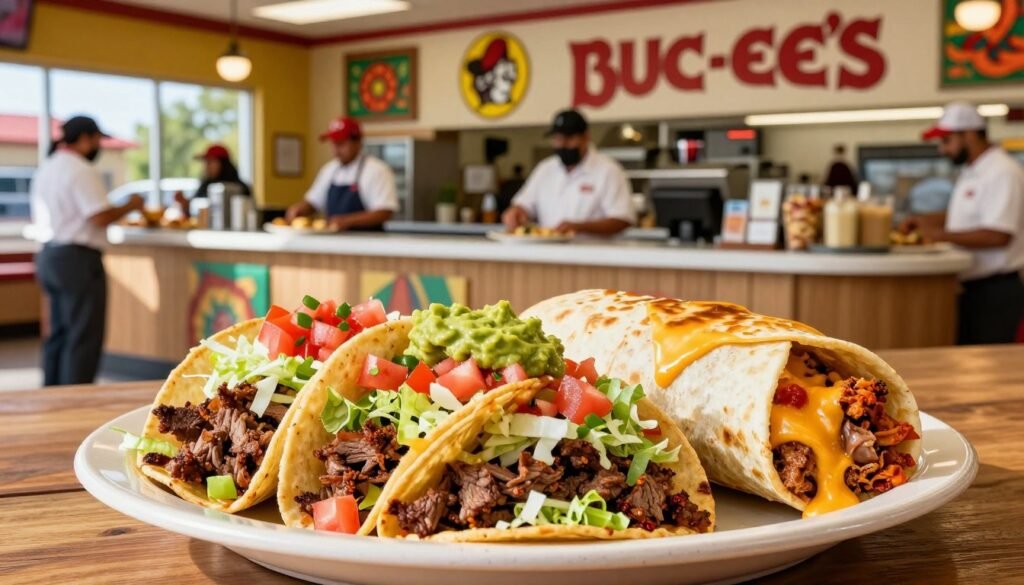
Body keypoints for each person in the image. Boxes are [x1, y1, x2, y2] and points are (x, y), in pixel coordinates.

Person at [31, 116, 145, 385]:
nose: (98, 146)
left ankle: (52, 393)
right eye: (96, 140)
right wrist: (132, 204)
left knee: (58, 332)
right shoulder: (80, 169)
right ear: (84, 139)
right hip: (77, 260)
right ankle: (78, 398)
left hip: (48, 256)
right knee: (83, 334)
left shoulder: (47, 168)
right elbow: (98, 216)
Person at [904, 101, 1024, 345]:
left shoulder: (1002, 172)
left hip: (996, 291)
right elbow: (964, 216)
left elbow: (999, 235)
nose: (942, 149)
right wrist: (923, 220)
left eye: (946, 141)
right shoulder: (972, 171)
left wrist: (938, 234)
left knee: (989, 368)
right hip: (972, 288)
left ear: (969, 135)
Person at [502, 109, 635, 235]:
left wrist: (580, 227)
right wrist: (516, 212)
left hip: (595, 255)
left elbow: (622, 219)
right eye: (557, 139)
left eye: (569, 138)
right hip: (549, 254)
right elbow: (524, 204)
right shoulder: (545, 168)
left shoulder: (608, 170)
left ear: (586, 137)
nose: (562, 144)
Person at [285, 117, 397, 231]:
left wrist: (348, 221)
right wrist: (299, 209)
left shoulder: (376, 170)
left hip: (368, 243)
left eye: (341, 144)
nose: (336, 150)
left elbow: (384, 212)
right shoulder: (329, 169)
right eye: (333, 144)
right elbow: (313, 202)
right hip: (334, 243)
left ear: (358, 143)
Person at [175, 144, 251, 211]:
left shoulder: (239, 188)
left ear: (223, 163)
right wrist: (184, 203)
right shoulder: (206, 185)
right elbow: (195, 209)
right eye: (205, 162)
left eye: (209, 162)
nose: (205, 167)